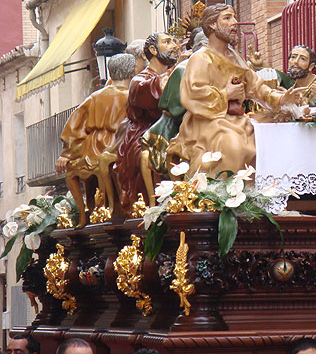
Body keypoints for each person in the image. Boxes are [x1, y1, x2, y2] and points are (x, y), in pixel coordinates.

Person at [166, 4, 302, 177]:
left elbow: (257, 87)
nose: (235, 22)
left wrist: (281, 99)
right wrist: (226, 94)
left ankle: (262, 189)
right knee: (233, 146)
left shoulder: (235, 57)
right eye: (227, 18)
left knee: (271, 135)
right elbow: (192, 94)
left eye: (234, 17)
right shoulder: (200, 58)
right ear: (212, 25)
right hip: (207, 121)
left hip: (236, 120)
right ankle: (225, 191)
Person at [55, 53, 136, 227]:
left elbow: (74, 126)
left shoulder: (94, 97)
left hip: (91, 147)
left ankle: (91, 214)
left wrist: (67, 153)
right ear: (132, 71)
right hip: (116, 145)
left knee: (94, 189)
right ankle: (120, 210)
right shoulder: (131, 96)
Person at [115, 32, 179, 210]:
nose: (174, 46)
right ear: (153, 50)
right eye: (167, 42)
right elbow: (152, 95)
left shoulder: (173, 74)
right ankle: (153, 204)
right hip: (146, 133)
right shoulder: (139, 80)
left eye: (173, 42)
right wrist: (172, 74)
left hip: (175, 127)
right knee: (147, 155)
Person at [142, 31, 209, 175]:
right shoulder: (182, 70)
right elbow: (176, 108)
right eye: (167, 42)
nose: (174, 46)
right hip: (173, 130)